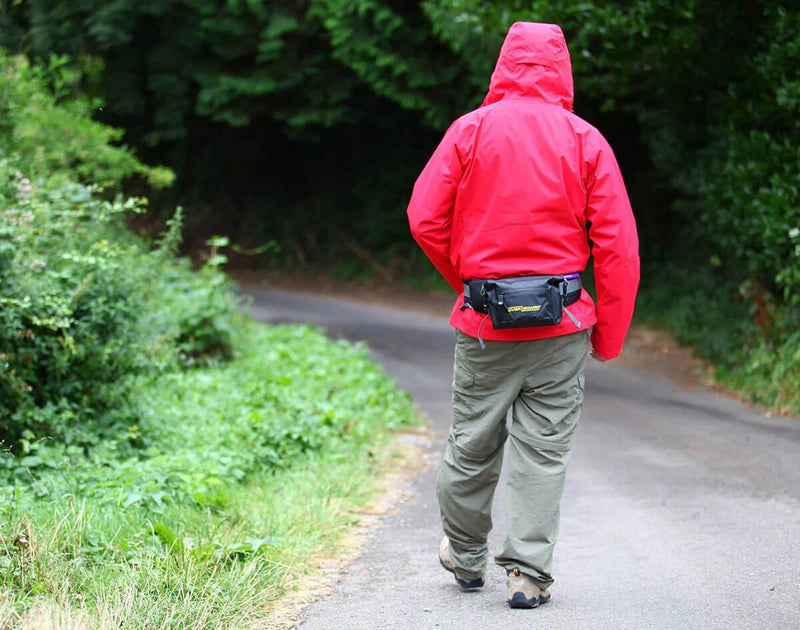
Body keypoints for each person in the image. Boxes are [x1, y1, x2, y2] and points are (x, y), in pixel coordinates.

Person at [406, 22, 640, 609]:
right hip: (561, 327)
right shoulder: (585, 139)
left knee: (471, 443)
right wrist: (607, 337)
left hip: (486, 326)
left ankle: (463, 557)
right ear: (561, 69)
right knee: (544, 450)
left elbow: (423, 217)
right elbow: (618, 248)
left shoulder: (469, 131)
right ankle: (527, 575)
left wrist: (468, 284)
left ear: (504, 65)